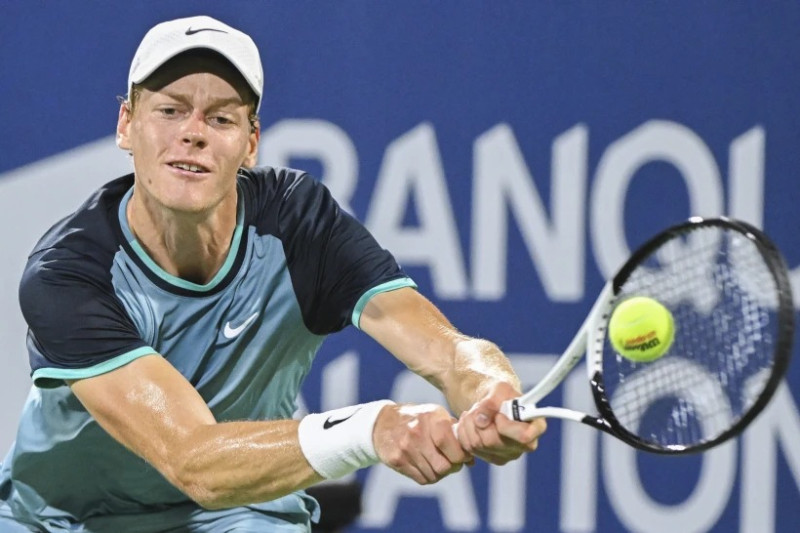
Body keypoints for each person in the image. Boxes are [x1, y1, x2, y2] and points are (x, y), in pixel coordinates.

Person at [0, 15, 546, 533]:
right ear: (127, 125)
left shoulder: (299, 225)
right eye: (170, 110)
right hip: (59, 519)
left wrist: (489, 390)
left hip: (238, 514)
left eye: (220, 118)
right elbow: (194, 459)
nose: (193, 133)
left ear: (250, 143)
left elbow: (448, 350)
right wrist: (370, 430)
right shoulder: (69, 275)